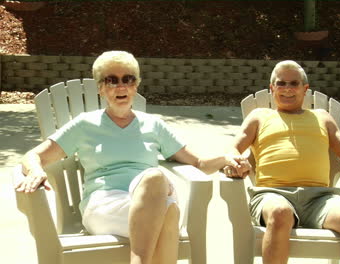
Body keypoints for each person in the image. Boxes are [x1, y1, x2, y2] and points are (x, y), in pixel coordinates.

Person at [15, 50, 247, 264]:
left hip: (151, 201)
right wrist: (36, 169)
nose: (121, 86)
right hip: (103, 206)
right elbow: (33, 156)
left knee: (154, 181)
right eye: (111, 80)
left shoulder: (153, 125)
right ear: (100, 88)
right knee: (168, 210)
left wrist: (226, 158)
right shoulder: (85, 124)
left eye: (128, 79)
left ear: (136, 86)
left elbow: (198, 163)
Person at [224, 60, 340, 264]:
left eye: (294, 83)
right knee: (280, 212)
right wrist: (236, 162)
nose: (287, 89)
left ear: (305, 89)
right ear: (272, 88)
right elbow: (233, 148)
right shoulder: (260, 116)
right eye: (281, 83)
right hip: (272, 195)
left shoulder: (322, 117)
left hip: (320, 199)